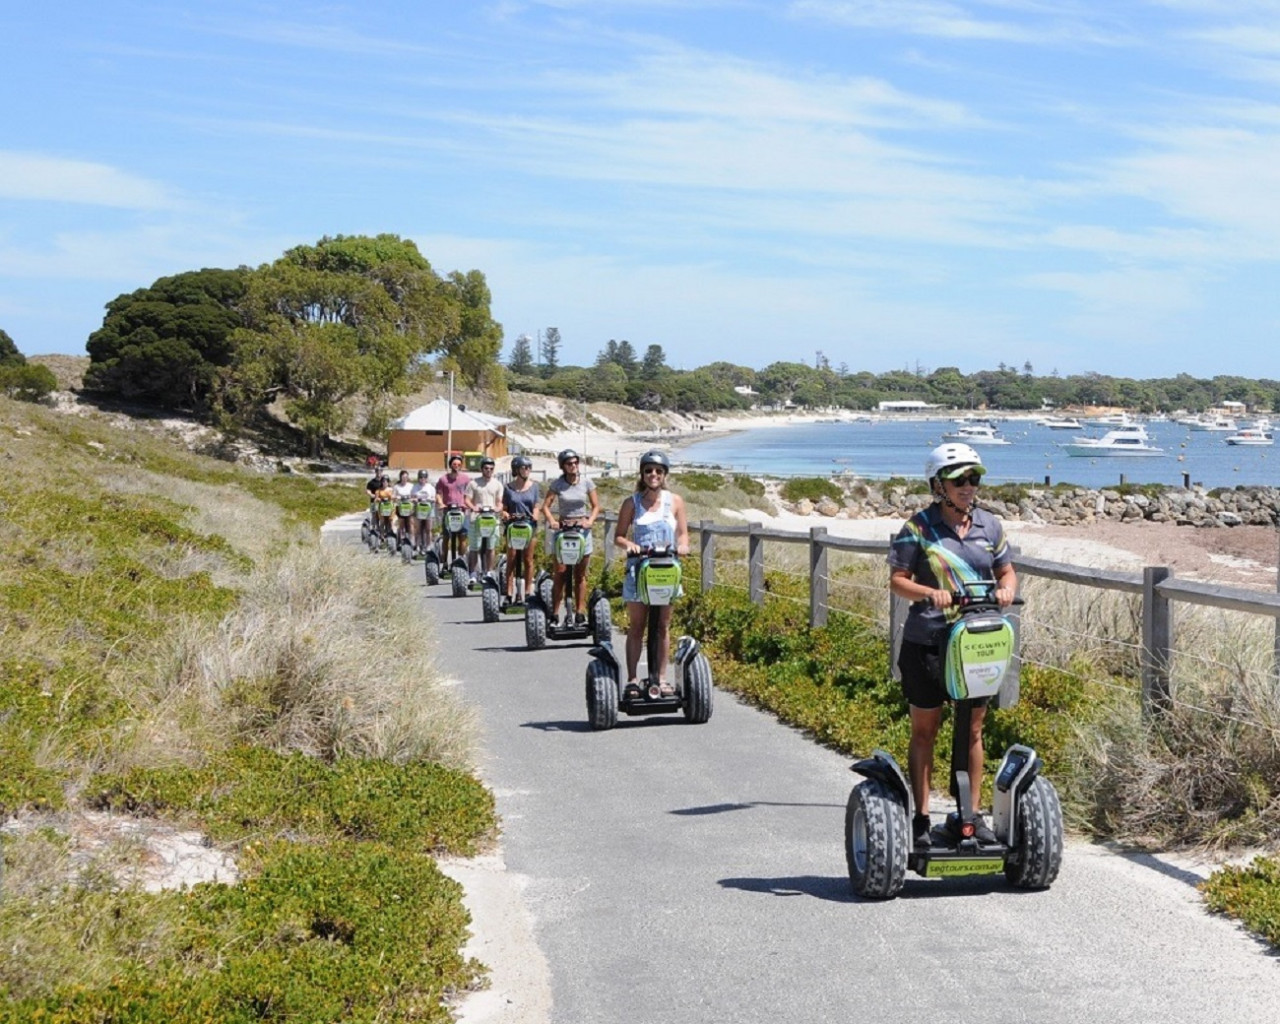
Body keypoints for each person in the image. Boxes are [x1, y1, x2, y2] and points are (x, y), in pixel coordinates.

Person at [888, 442, 1017, 849]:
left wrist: (1007, 591)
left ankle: (970, 816)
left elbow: (1006, 571)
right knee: (925, 731)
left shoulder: (989, 526)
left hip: (975, 644)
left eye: (974, 478)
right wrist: (929, 592)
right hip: (927, 643)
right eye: (959, 479)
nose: (968, 486)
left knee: (973, 730)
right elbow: (897, 580)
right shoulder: (918, 528)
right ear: (938, 484)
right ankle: (922, 819)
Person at [613, 450, 689, 696]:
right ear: (642, 474)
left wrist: (684, 546)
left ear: (664, 474)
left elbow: (683, 534)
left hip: (666, 570)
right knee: (637, 626)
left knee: (663, 625)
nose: (653, 475)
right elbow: (619, 536)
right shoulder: (631, 503)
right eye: (648, 471)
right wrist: (630, 545)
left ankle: (662, 678)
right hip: (638, 570)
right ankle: (633, 679)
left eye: (658, 471)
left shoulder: (675, 501)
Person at [540, 448, 600, 626]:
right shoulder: (557, 484)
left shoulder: (587, 482)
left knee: (580, 575)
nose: (573, 466)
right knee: (560, 573)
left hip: (582, 531)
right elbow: (545, 506)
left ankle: (580, 612)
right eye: (569, 463)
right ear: (563, 466)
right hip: (564, 530)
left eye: (575, 462)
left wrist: (590, 520)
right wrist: (552, 521)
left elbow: (596, 506)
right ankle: (555, 613)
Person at [501, 455, 540, 604]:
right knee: (511, 559)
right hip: (513, 527)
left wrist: (535, 516)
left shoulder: (534, 487)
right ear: (517, 469)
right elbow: (504, 508)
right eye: (524, 467)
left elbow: (536, 506)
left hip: (529, 527)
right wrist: (505, 514)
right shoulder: (508, 488)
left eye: (529, 467)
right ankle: (509, 593)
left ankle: (527, 591)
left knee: (528, 560)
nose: (527, 470)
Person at [465, 456, 505, 582]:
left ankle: (489, 572)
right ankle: (473, 573)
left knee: (490, 547)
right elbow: (467, 499)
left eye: (491, 468)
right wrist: (473, 507)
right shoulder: (473, 483)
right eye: (486, 468)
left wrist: (498, 508)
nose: (489, 470)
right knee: (474, 547)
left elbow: (500, 502)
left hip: (491, 520)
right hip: (476, 519)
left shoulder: (497, 484)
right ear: (482, 469)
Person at [435, 453, 471, 560]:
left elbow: (469, 494)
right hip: (448, 511)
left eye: (459, 464)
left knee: (463, 537)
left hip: (462, 511)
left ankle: (461, 560)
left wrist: (468, 504)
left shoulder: (466, 479)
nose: (456, 466)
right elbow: (438, 494)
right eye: (454, 464)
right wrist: (441, 503)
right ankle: (445, 562)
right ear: (451, 465)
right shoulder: (443, 479)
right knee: (446, 537)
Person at [410, 469, 433, 554]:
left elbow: (434, 498)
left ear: (427, 478)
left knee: (428, 529)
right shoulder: (415, 487)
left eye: (424, 477)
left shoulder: (430, 487)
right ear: (418, 478)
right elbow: (411, 497)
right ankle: (417, 545)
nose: (422, 479)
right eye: (421, 477)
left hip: (428, 510)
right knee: (418, 529)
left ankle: (428, 545)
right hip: (418, 510)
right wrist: (415, 499)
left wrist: (430, 499)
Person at [392, 469, 416, 549]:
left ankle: (412, 541)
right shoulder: (397, 486)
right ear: (400, 477)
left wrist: (413, 499)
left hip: (409, 507)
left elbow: (414, 496)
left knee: (410, 523)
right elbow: (393, 496)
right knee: (401, 524)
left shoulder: (411, 486)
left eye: (406, 477)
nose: (405, 478)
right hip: (400, 507)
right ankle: (400, 540)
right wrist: (397, 497)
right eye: (403, 477)